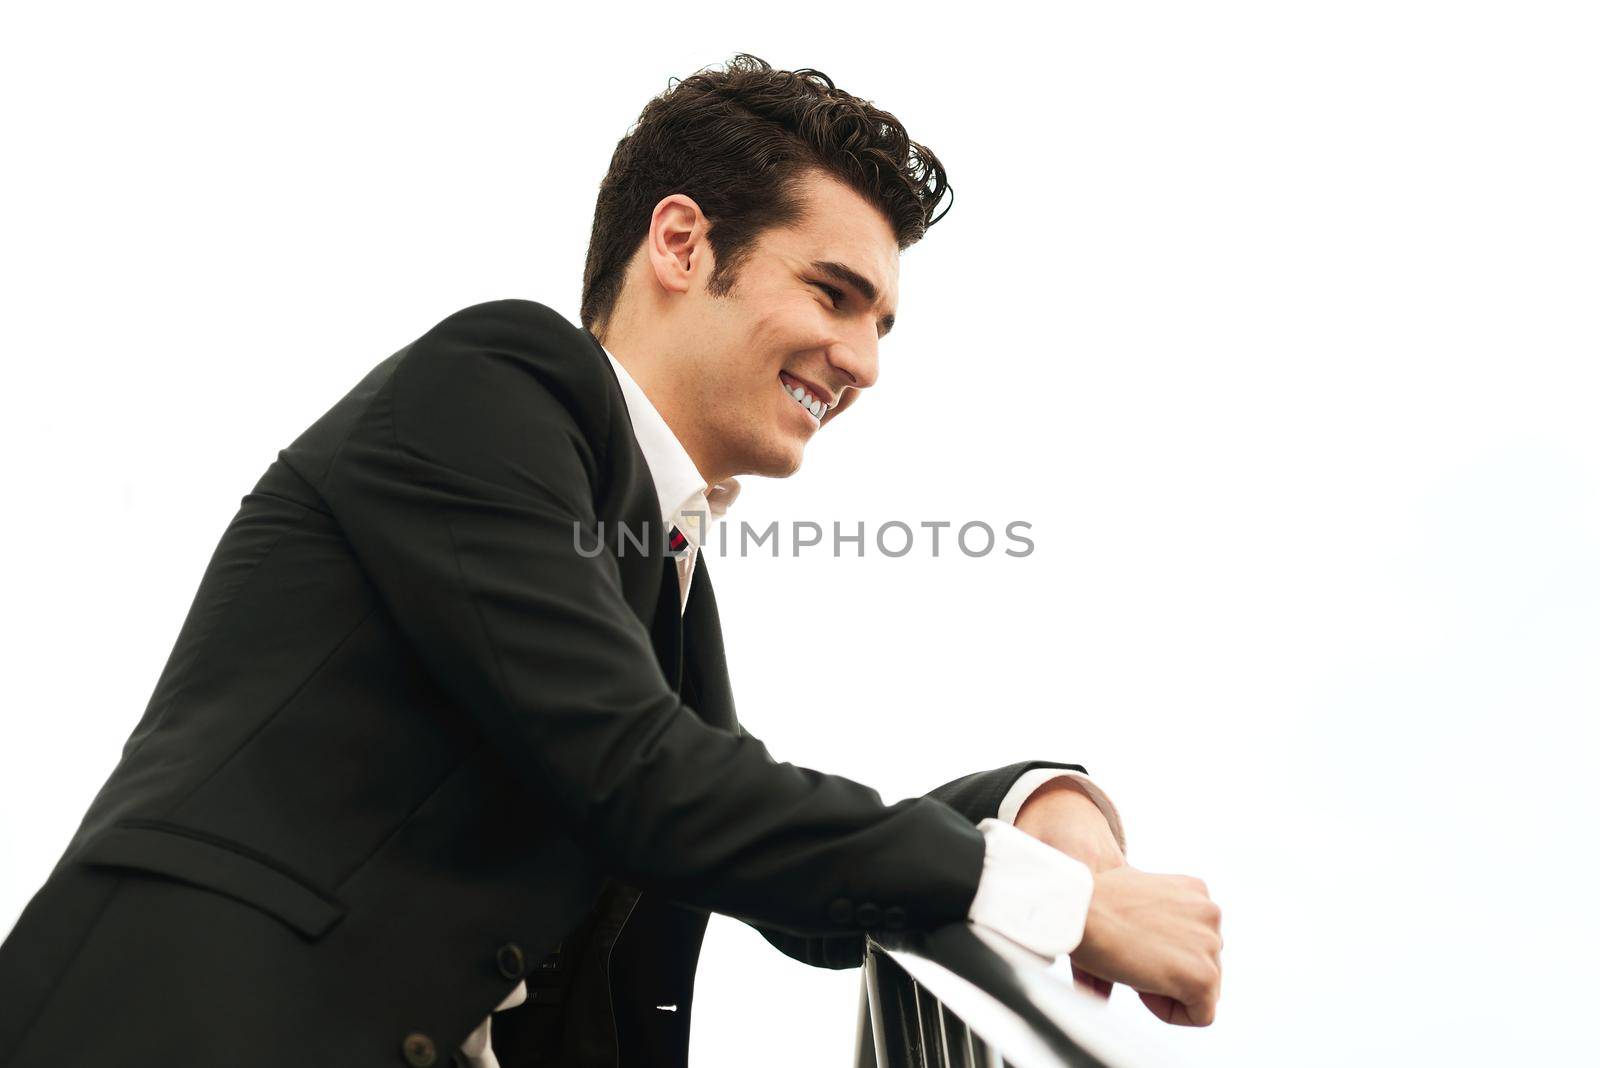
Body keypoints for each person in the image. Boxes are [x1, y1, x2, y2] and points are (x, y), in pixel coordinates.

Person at [0, 54, 1220, 1067]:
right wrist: (1063, 906)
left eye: (882, 323)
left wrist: (1023, 806)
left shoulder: (659, 563)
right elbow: (651, 780)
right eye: (834, 293)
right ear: (682, 244)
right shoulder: (495, 380)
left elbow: (749, 847)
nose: (863, 361)